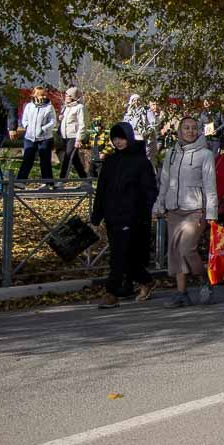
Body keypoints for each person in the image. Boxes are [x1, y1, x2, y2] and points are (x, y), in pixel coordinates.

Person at [153, 116, 218, 307]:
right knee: (175, 252)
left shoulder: (205, 155)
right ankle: (181, 293)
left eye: (194, 128)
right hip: (174, 209)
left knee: (187, 249)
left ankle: (204, 280)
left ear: (199, 131)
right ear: (179, 131)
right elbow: (165, 181)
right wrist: (159, 205)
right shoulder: (171, 153)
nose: (190, 131)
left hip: (196, 209)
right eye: (186, 128)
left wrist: (211, 213)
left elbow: (210, 186)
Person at [92, 123, 158, 308]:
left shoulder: (141, 162)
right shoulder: (110, 161)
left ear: (129, 137)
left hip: (133, 217)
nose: (118, 142)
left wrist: (145, 213)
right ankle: (146, 280)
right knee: (123, 256)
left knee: (119, 256)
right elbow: (102, 190)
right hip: (112, 216)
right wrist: (96, 216)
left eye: (121, 138)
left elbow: (149, 191)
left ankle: (111, 292)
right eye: (115, 139)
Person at [16, 87, 57, 186]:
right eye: (41, 95)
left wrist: (43, 129)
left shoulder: (49, 107)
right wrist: (27, 126)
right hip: (30, 137)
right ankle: (21, 182)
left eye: (44, 95)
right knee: (27, 158)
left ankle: (47, 183)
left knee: (45, 161)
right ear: (35, 95)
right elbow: (24, 119)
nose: (43, 97)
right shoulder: (29, 106)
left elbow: (53, 122)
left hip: (44, 138)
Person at [58, 86, 88, 180]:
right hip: (64, 136)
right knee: (75, 159)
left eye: (68, 95)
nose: (66, 97)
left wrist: (79, 139)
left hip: (73, 136)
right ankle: (85, 179)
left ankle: (62, 180)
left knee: (67, 157)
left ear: (73, 97)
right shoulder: (65, 107)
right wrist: (60, 119)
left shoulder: (79, 107)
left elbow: (82, 124)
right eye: (66, 95)